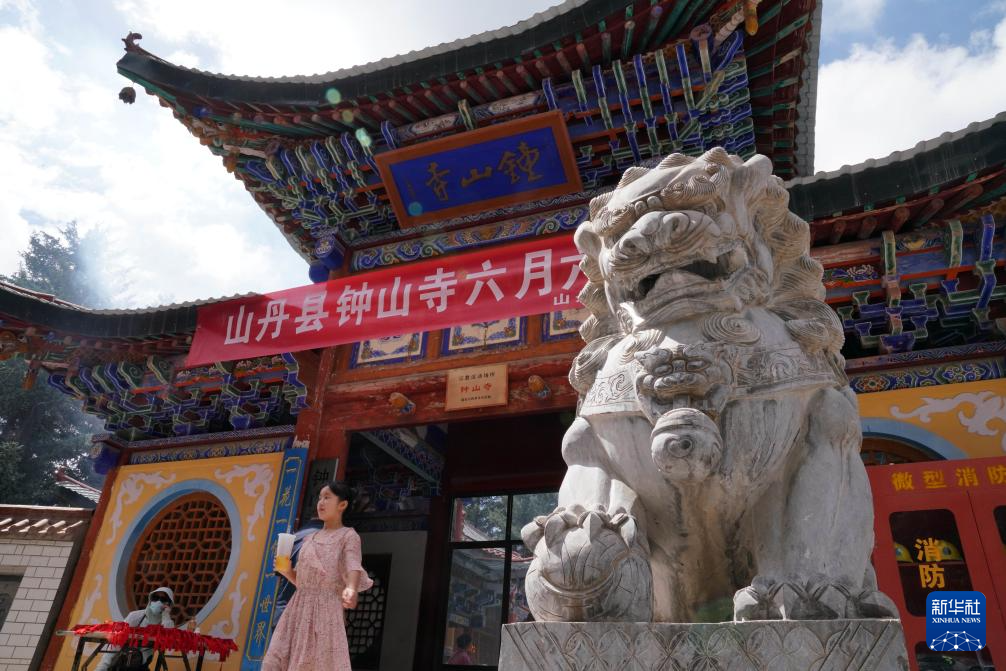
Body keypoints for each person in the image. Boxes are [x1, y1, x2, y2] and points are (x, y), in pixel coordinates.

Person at [262, 480, 373, 671]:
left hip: (325, 610)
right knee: (278, 660)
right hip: (298, 608)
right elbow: (303, 583)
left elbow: (353, 564)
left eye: (327, 497)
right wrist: (288, 571)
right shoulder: (309, 538)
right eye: (320, 498)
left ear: (342, 504)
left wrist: (351, 588)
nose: (321, 502)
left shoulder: (348, 536)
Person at [94, 587, 191, 671]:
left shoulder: (166, 622)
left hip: (141, 666)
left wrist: (166, 615)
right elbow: (117, 641)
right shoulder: (135, 616)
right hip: (121, 663)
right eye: (155, 598)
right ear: (150, 599)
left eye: (163, 599)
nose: (158, 602)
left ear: (169, 604)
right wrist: (102, 667)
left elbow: (168, 637)